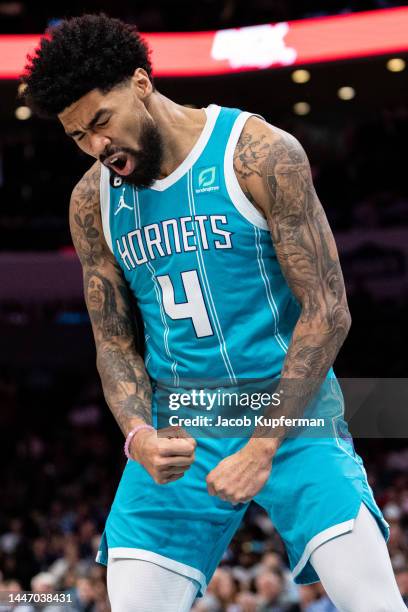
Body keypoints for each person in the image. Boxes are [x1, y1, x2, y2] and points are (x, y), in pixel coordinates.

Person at [21, 14, 407, 612]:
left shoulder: (260, 154)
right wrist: (136, 436)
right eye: (78, 137)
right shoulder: (90, 202)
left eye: (101, 121)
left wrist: (263, 444)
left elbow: (329, 310)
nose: (98, 146)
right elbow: (113, 338)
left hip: (290, 412)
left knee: (374, 602)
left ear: (141, 83)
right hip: (180, 419)